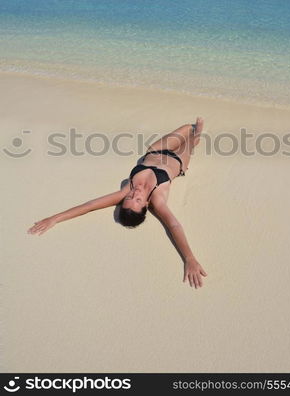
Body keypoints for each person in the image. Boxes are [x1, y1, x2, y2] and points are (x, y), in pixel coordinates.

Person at [27, 117, 208, 288]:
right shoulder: (158, 198)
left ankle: (193, 134)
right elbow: (174, 225)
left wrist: (55, 218)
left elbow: (89, 206)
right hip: (178, 161)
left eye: (130, 198)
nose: (135, 193)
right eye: (137, 199)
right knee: (192, 139)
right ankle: (196, 136)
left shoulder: (125, 190)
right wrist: (189, 258)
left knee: (186, 127)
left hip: (155, 150)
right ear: (145, 205)